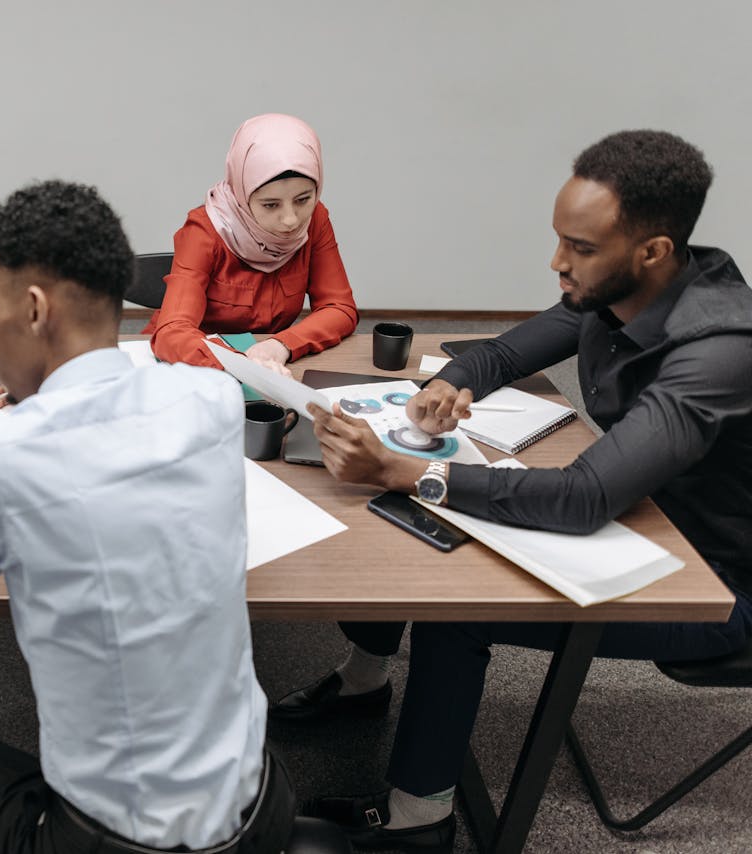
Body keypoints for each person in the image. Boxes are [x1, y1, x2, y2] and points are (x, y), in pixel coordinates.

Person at [294, 130, 752, 851]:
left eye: (580, 247)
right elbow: (506, 351)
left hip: (713, 588)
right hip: (646, 518)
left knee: (457, 604)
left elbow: (583, 497)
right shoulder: (621, 287)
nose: (557, 263)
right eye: (558, 239)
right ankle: (365, 683)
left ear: (653, 252)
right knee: (423, 530)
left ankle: (419, 823)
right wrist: (451, 382)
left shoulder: (720, 352)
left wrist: (403, 470)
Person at [0, 180, 299, 853]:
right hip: (264, 808)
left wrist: (2, 450)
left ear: (34, 310)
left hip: (110, 844)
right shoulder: (211, 399)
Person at [143, 112, 358, 373]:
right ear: (242, 194)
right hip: (190, 364)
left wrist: (280, 345)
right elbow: (172, 332)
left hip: (267, 361)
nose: (291, 220)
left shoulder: (316, 220)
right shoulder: (204, 231)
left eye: (303, 199)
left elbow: (339, 307)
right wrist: (242, 365)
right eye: (270, 205)